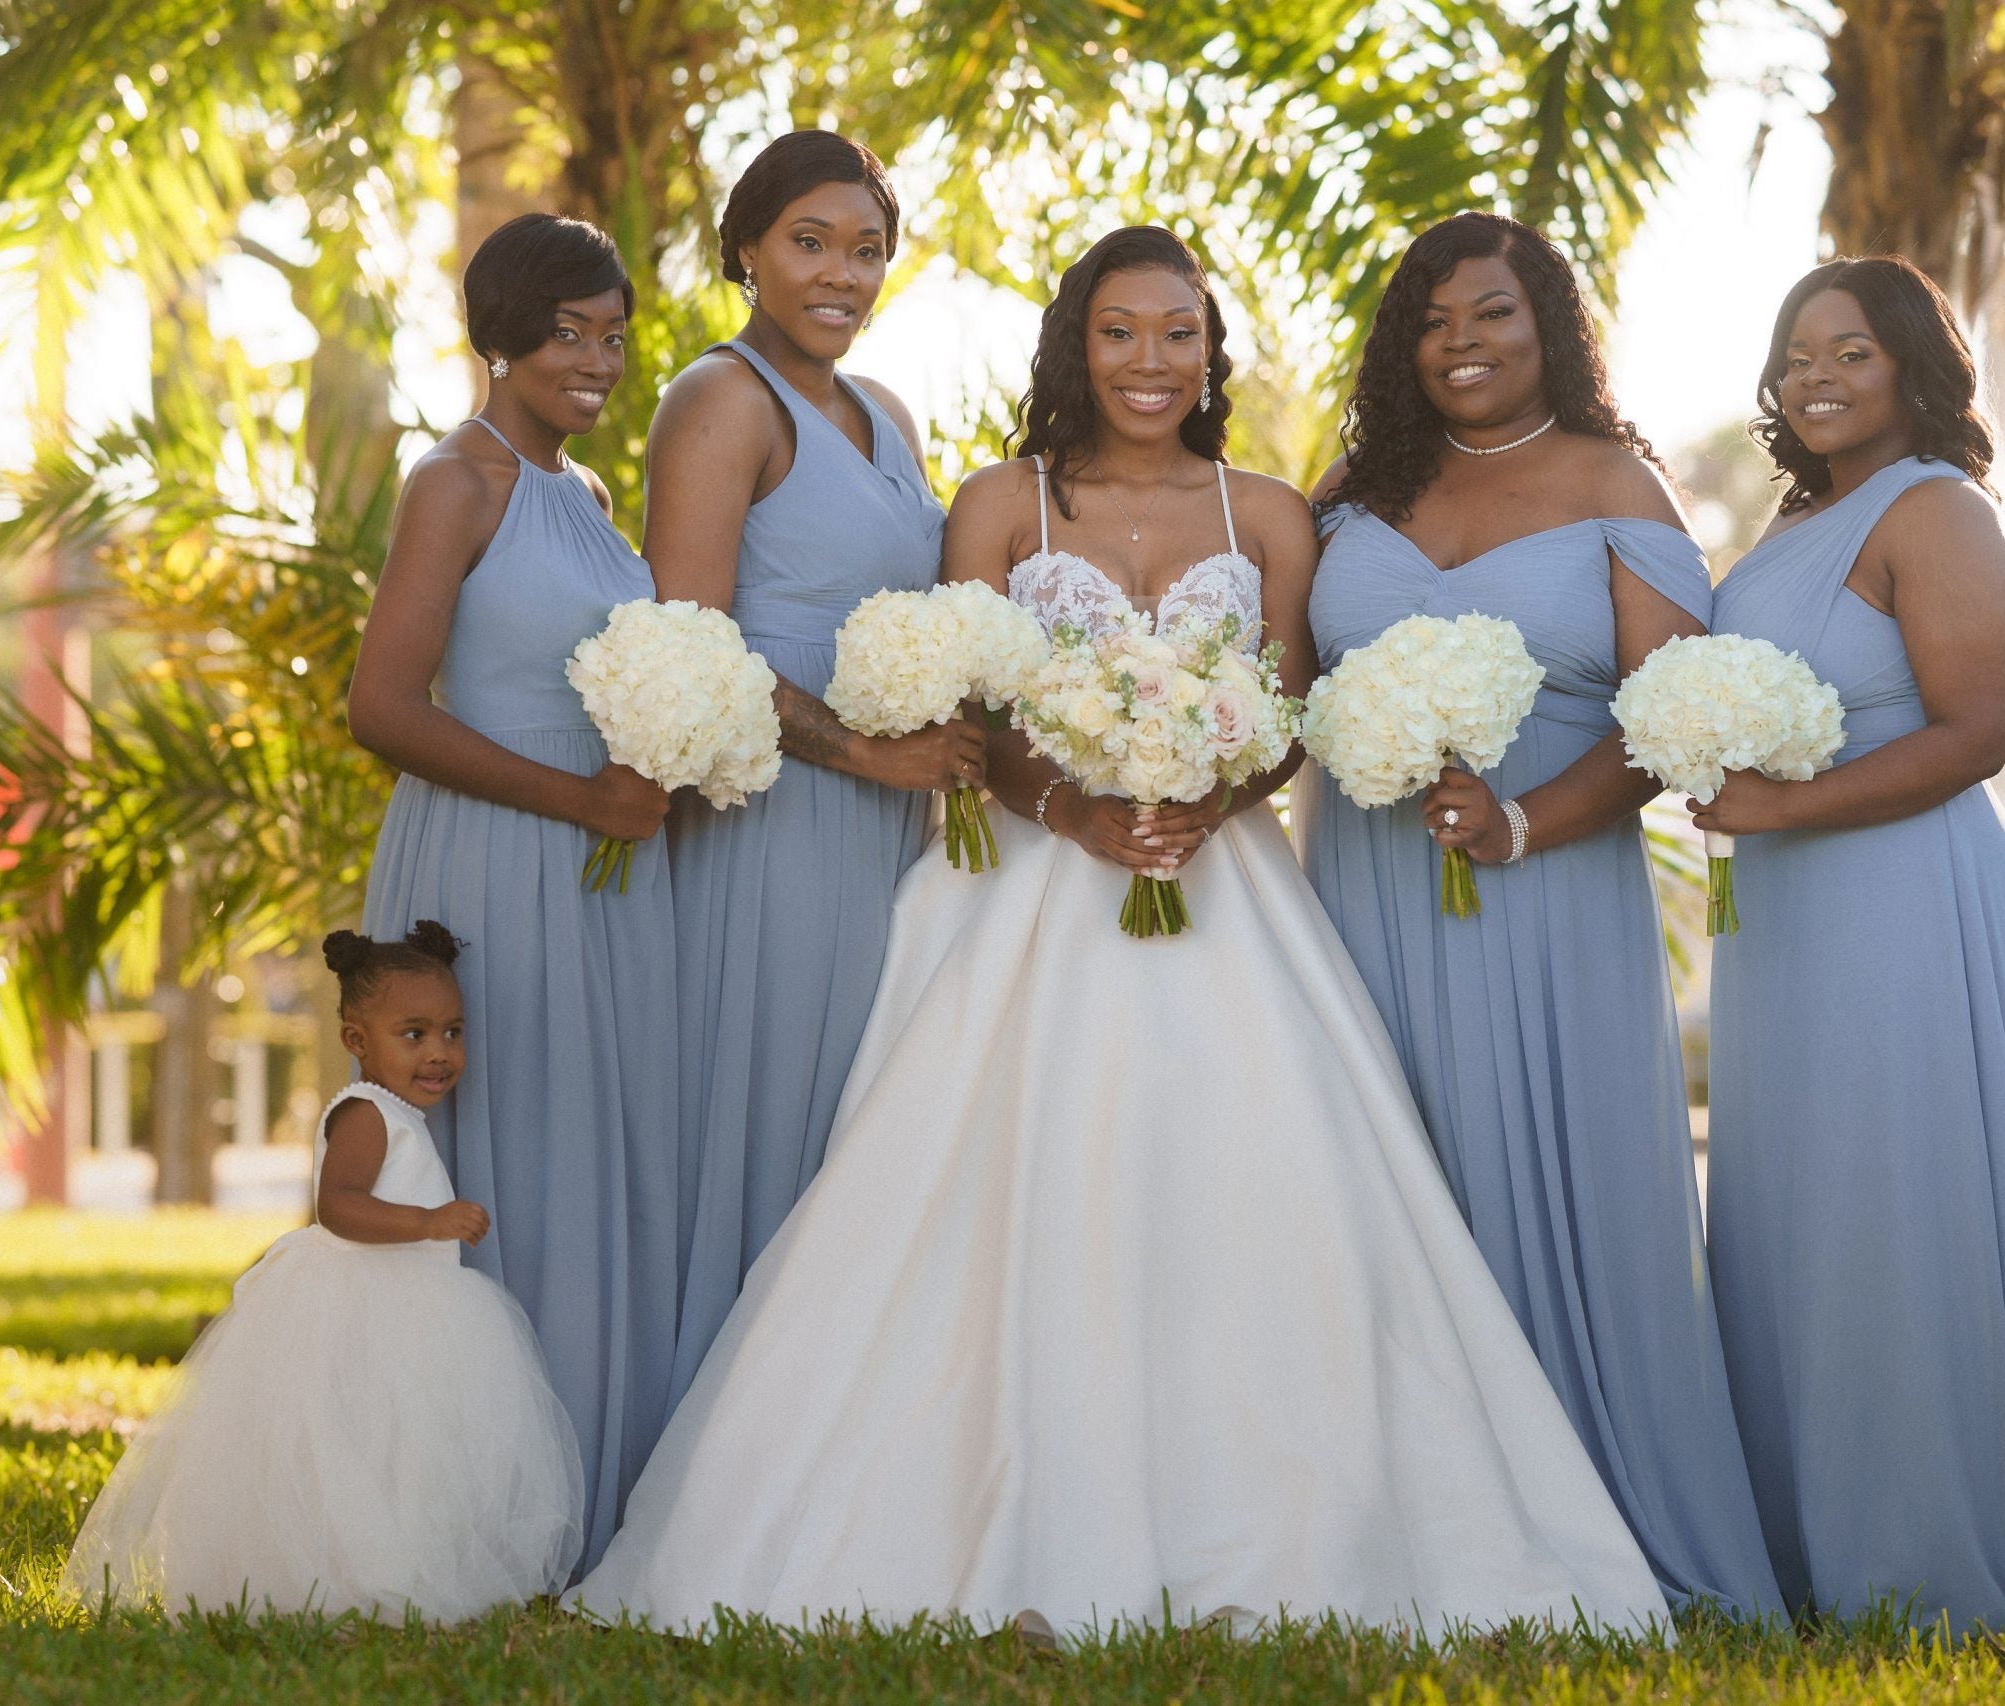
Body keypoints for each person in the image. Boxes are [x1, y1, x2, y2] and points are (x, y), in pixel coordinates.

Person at [574, 228, 1669, 1639]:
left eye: (1179, 334)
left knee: (1256, 1183)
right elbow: (970, 712)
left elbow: (1285, 720)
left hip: (1228, 886)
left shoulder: (1270, 512)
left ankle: (1300, 1518)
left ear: (1211, 352)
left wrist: (1210, 797)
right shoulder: (997, 503)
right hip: (1027, 886)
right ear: (1072, 350)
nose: (1151, 362)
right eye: (1119, 333)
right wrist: (1076, 808)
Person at [1298, 210, 1780, 1615]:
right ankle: (1401, 1526)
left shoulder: (1614, 482)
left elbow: (1667, 714)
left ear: (1548, 327)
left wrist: (1523, 819)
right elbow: (1279, 675)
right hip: (1367, 887)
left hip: (1548, 889)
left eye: (1494, 315)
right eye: (1436, 321)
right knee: (1384, 1173)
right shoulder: (1351, 491)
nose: (1464, 344)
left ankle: (1599, 1508)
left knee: (1557, 1177)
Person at [1700, 255, 2005, 1630]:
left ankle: (1920, 1542)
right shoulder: (1784, 532)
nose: (1815, 377)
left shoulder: (1937, 510)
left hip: (1896, 891)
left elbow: (1973, 737)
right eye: (1796, 356)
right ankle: (1804, 1529)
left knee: (1889, 1193)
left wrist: (1783, 803)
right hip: (1783, 906)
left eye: (1850, 353)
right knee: (1799, 1203)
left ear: (1912, 367)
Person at [347, 212, 678, 1575]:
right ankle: (460, 1515)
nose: (594, 360)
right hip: (488, 861)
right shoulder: (457, 484)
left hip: (605, 872)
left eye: (612, 336)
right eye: (567, 334)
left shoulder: (590, 499)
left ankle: (579, 1501)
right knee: (498, 1168)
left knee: (590, 1165)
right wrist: (579, 800)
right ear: (501, 336)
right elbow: (380, 705)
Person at [644, 131, 976, 1408]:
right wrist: (861, 750)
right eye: (810, 242)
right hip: (776, 816)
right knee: (771, 1110)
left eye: (868, 248)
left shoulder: (882, 412)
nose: (842, 272)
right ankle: (720, 1443)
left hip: (894, 823)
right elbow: (693, 641)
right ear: (746, 251)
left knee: (864, 1115)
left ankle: (836, 1431)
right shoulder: (719, 400)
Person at [62, 924, 582, 1620]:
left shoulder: (394, 1111)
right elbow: (337, 1207)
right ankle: (347, 1573)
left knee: (405, 1449)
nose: (439, 1053)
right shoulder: (366, 1114)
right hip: (367, 1300)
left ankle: (400, 1566)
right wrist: (427, 1223)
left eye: (452, 1033)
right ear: (356, 1042)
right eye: (415, 1034)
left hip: (411, 1301)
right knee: (358, 1444)